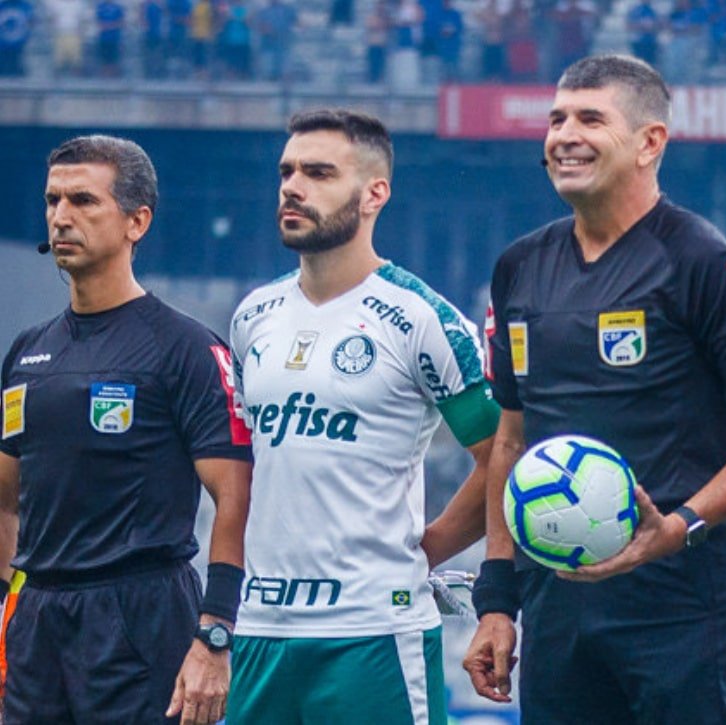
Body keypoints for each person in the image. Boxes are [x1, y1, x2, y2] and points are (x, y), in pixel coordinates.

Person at [462, 54, 726, 724]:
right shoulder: (517, 268)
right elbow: (511, 441)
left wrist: (681, 524)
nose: (563, 135)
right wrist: (497, 600)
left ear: (649, 142)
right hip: (559, 602)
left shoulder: (703, 261)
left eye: (589, 118)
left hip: (686, 599)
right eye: (556, 119)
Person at [225, 108, 498, 725]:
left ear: (375, 193)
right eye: (287, 171)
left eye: (319, 173)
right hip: (260, 627)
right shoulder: (252, 317)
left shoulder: (422, 319)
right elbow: (245, 470)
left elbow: (503, 457)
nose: (293, 186)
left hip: (373, 630)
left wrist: (426, 551)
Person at [0, 134, 253, 724]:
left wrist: (215, 635)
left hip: (141, 615)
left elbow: (234, 496)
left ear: (136, 221)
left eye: (84, 201)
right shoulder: (26, 352)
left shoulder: (187, 348)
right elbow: (5, 500)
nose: (62, 217)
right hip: (37, 617)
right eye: (53, 200)